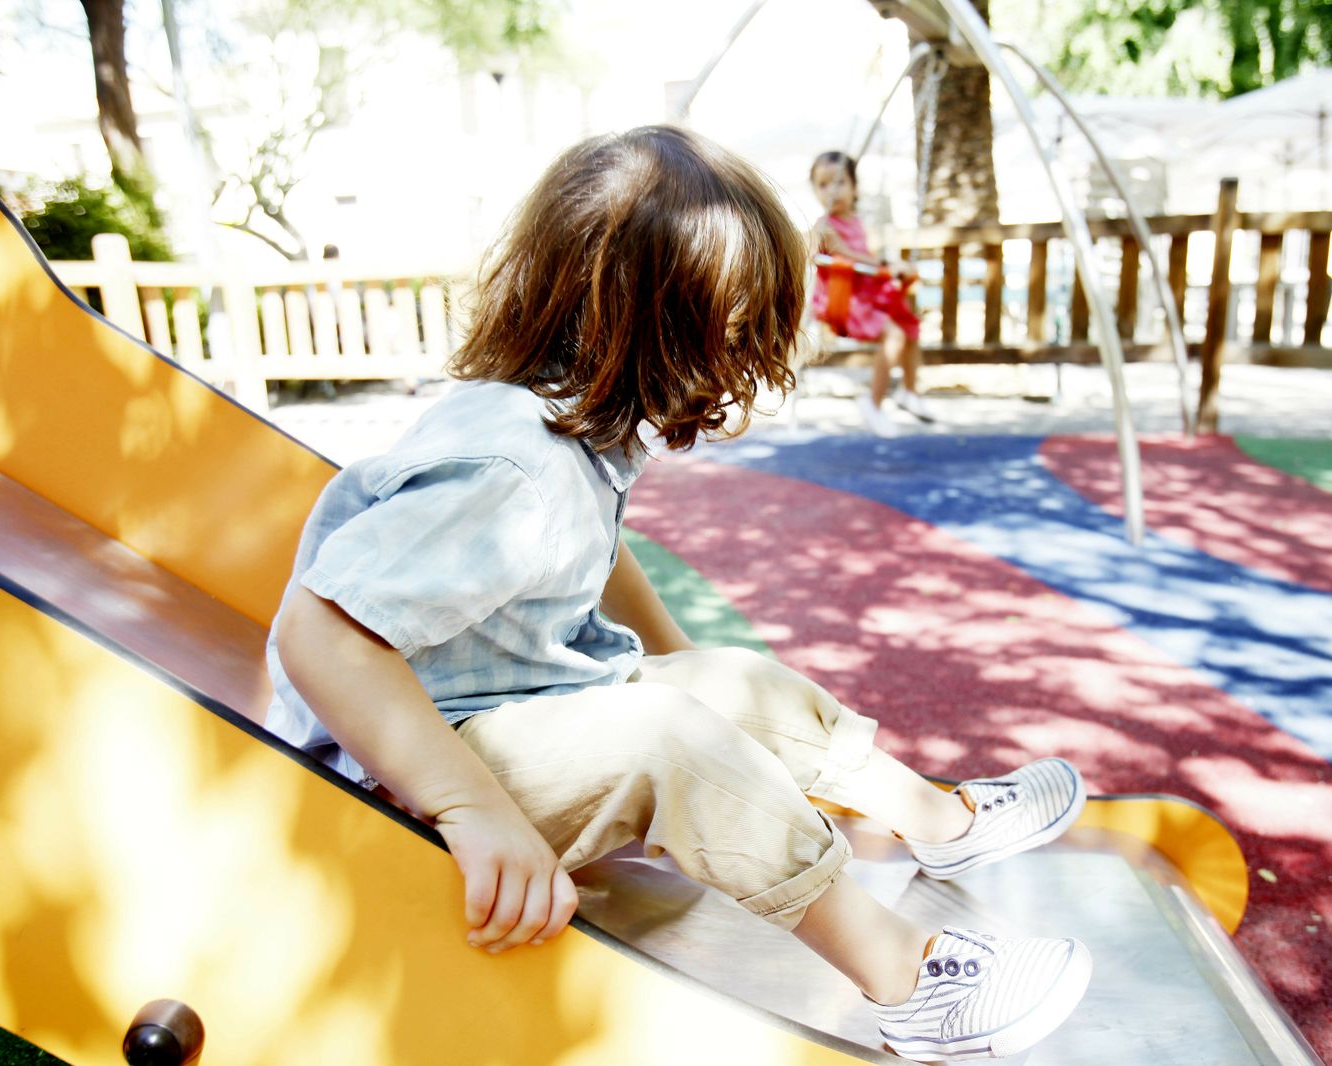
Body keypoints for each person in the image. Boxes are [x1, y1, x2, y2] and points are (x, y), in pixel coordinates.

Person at [265, 126, 1091, 1062]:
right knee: (674, 742)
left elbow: (591, 550)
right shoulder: (511, 467)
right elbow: (322, 634)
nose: (743, 361)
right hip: (390, 776)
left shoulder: (572, 427)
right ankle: (907, 981)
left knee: (726, 687)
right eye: (732, 333)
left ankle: (940, 824)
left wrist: (680, 669)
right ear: (647, 322)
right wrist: (473, 810)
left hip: (498, 710)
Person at [809, 150, 932, 438]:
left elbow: (868, 258)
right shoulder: (824, 226)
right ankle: (872, 403)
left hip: (864, 296)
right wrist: (881, 264)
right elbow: (840, 256)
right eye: (823, 185)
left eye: (839, 183)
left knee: (909, 328)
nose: (831, 191)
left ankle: (909, 392)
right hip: (842, 302)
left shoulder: (857, 222)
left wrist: (891, 266)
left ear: (854, 188)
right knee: (894, 335)